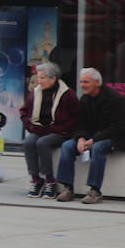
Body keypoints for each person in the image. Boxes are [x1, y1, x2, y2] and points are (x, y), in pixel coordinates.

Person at [52, 68, 125, 204]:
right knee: (67, 146)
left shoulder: (115, 99)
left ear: (97, 82)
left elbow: (118, 127)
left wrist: (93, 140)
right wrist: (80, 138)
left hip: (114, 138)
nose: (82, 85)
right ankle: (68, 188)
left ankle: (95, 191)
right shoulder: (85, 99)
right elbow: (80, 123)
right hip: (90, 137)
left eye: (86, 82)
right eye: (81, 82)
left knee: (97, 148)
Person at [20, 61, 78, 198]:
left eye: (42, 78)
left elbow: (75, 117)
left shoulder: (67, 94)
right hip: (39, 129)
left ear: (53, 78)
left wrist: (60, 128)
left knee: (43, 143)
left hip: (60, 131)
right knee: (28, 142)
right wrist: (30, 126)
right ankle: (36, 179)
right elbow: (24, 113)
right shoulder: (35, 93)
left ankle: (50, 180)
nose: (39, 81)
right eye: (38, 78)